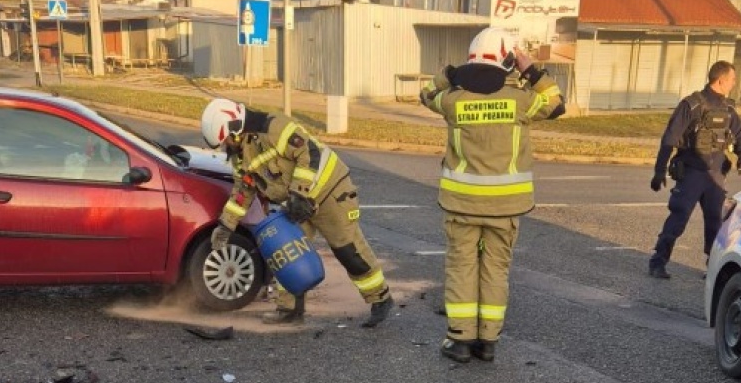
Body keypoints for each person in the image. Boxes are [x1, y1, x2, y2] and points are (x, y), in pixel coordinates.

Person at [419, 27, 564, 363]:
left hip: (461, 205)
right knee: (495, 270)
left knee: (462, 268)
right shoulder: (522, 101)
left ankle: (460, 340)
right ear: (508, 61)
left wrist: (449, 74)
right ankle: (488, 342)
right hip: (505, 206)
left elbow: (426, 96)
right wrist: (529, 69)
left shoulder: (454, 101)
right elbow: (557, 103)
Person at [200, 98, 393, 327]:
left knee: (348, 251)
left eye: (226, 141)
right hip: (295, 202)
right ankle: (289, 309)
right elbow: (243, 191)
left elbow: (308, 152)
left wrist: (299, 194)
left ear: (235, 127)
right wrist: (226, 226)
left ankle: (380, 298)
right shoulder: (242, 156)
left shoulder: (273, 126)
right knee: (286, 252)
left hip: (330, 191)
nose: (226, 147)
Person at [648, 60, 741, 279]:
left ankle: (713, 270)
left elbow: (739, 133)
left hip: (715, 176)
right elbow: (670, 137)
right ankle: (658, 262)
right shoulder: (691, 105)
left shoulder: (728, 108)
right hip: (691, 172)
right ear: (721, 80)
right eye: (732, 79)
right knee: (679, 217)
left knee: (715, 222)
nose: (734, 83)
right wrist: (659, 170)